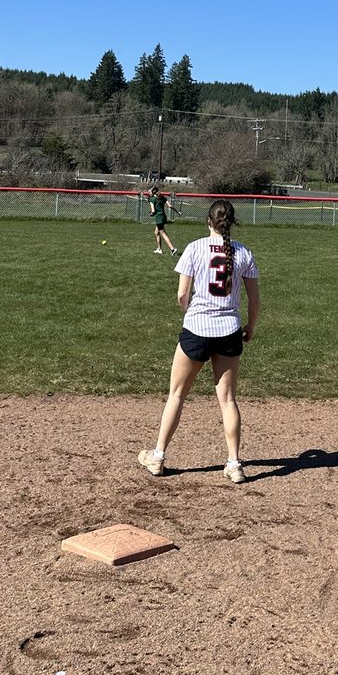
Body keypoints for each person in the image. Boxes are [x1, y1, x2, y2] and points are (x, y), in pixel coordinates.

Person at [138, 199, 260, 484]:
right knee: (228, 399)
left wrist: (189, 312)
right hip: (229, 330)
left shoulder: (194, 248)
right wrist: (250, 327)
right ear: (231, 223)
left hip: (197, 329)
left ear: (208, 221)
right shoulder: (243, 252)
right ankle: (234, 464)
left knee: (177, 394)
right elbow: (255, 299)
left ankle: (157, 457)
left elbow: (182, 295)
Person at [147, 185, 178, 257]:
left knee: (163, 233)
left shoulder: (152, 199)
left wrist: (151, 213)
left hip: (159, 217)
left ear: (153, 192)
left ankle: (172, 249)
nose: (148, 193)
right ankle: (159, 249)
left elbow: (153, 211)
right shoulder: (162, 197)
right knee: (156, 232)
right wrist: (177, 212)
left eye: (149, 191)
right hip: (164, 217)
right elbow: (170, 206)